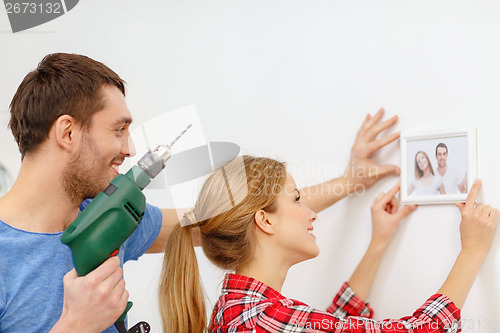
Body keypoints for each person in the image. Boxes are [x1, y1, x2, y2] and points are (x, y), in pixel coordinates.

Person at [0, 52, 401, 332]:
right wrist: (75, 327)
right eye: (118, 129)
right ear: (67, 132)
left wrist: (351, 182)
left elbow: (242, 214)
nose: (130, 149)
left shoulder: (106, 220)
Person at [159, 155, 498, 333]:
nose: (310, 213)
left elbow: (330, 323)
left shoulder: (237, 309)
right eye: (296, 199)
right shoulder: (262, 319)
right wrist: (473, 250)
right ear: (265, 220)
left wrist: (379, 241)